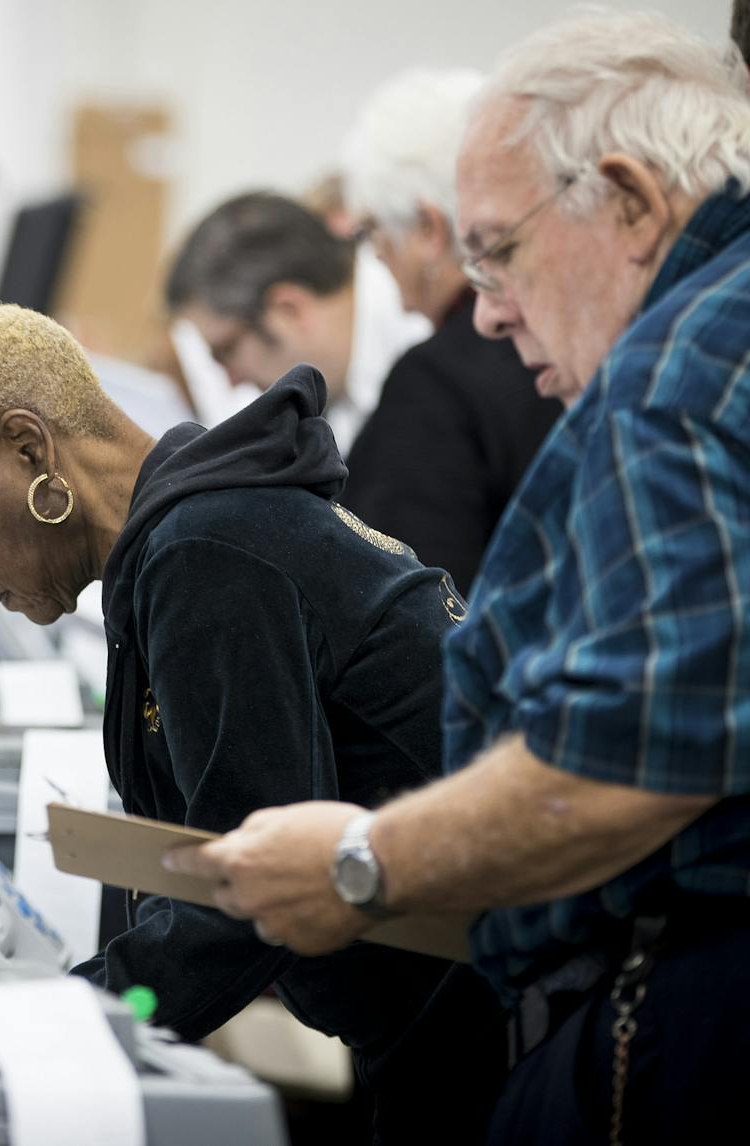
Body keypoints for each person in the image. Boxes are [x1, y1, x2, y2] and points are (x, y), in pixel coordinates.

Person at [164, 12, 750, 1144]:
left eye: (498, 251)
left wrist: (356, 861)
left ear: (625, 203)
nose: (481, 307)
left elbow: (621, 769)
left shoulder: (672, 386)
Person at [0, 301, 507, 1143]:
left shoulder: (209, 553)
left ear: (28, 450)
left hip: (494, 1033)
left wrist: (38, 1025)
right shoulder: (199, 530)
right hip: (456, 1019)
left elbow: (243, 901)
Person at [338, 68, 563, 595]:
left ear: (428, 229)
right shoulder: (576, 344)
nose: (374, 255)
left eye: (374, 232)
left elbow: (404, 620)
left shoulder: (437, 383)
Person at [166, 192, 429, 452]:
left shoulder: (428, 341)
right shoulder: (343, 395)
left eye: (228, 349)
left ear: (289, 309)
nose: (231, 380)